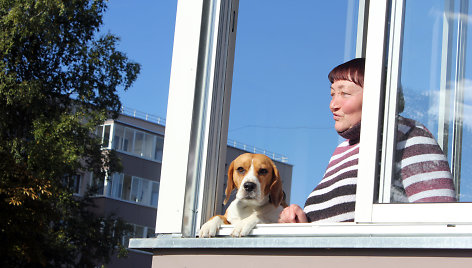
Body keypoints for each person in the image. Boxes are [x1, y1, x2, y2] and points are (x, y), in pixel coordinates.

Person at [279, 58, 456, 223]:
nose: (333, 104)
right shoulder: (341, 151)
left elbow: (439, 219)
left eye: (345, 93)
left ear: (378, 95)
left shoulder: (408, 135)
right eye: (332, 94)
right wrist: (299, 221)